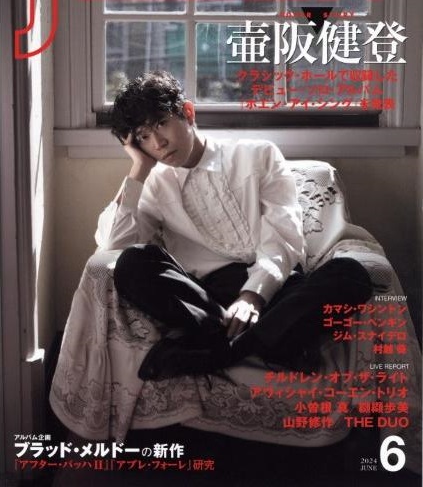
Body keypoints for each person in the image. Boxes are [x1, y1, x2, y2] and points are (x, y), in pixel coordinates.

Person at [95, 70, 372, 380]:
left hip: (277, 289)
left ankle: (218, 352)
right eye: (144, 136)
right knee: (132, 263)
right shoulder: (154, 183)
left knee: (351, 275)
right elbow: (114, 242)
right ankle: (270, 342)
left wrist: (253, 295)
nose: (158, 143)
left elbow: (283, 236)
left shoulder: (258, 155)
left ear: (188, 113)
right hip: (206, 300)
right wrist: (138, 168)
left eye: (161, 123)